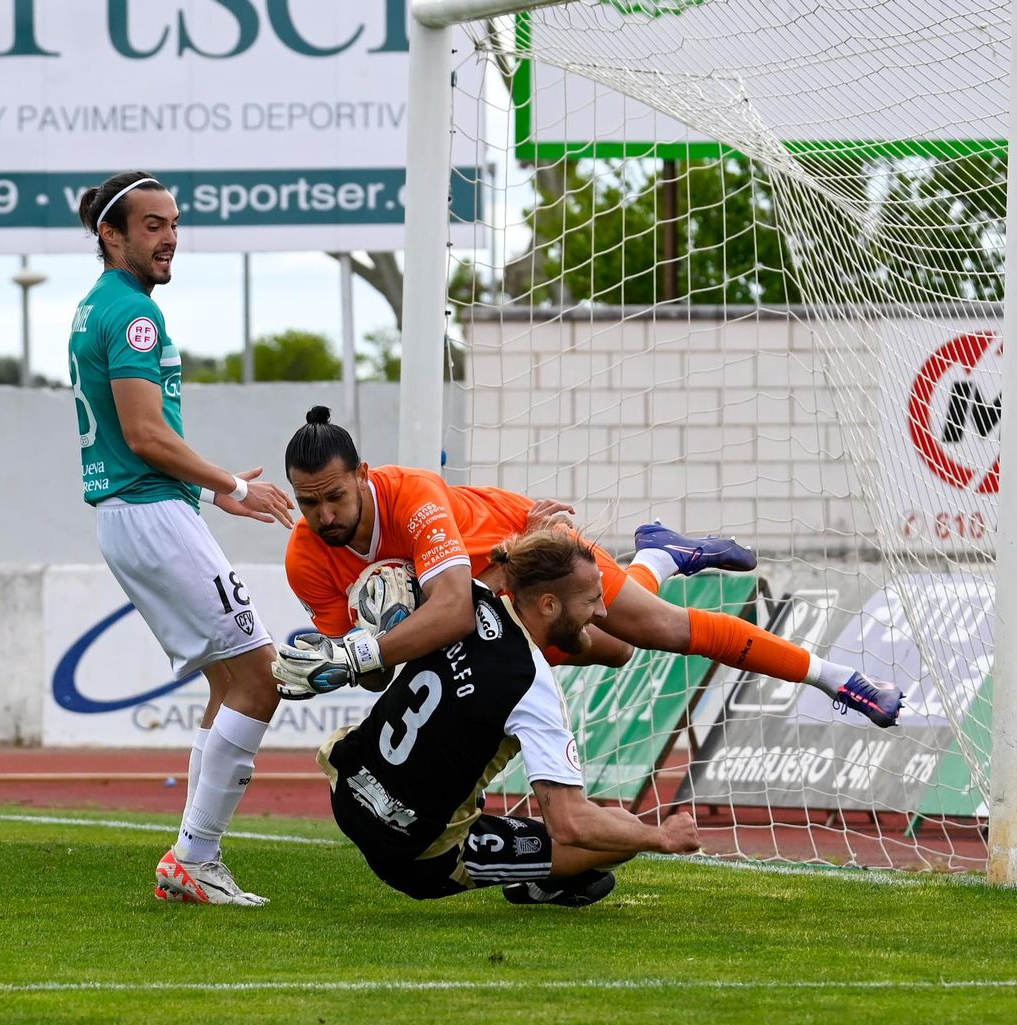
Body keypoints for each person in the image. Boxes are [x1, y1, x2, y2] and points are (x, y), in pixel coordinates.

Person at [273, 407, 902, 728]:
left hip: (527, 551)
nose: (325, 514)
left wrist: (360, 653)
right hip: (479, 603)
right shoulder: (305, 556)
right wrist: (338, 665)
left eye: (336, 496)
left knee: (660, 631)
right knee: (612, 648)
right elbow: (380, 673)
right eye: (309, 503)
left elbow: (453, 609)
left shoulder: (412, 494)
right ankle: (661, 553)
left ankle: (837, 678)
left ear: (363, 475)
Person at [68, 169, 296, 906]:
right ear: (112, 234)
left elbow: (138, 437)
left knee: (231, 681)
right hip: (150, 514)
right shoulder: (133, 315)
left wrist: (206, 488)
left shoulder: (96, 307)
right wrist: (231, 484)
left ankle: (191, 861)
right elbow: (142, 433)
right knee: (260, 676)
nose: (170, 238)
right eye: (153, 225)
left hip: (139, 513)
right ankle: (194, 857)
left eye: (173, 223)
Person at [319, 528, 701, 905]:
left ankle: (655, 560)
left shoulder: (469, 597)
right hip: (412, 853)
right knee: (623, 831)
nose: (602, 612)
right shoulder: (531, 684)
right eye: (592, 601)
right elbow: (569, 823)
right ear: (548, 605)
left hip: (347, 788)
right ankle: (541, 883)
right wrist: (659, 837)